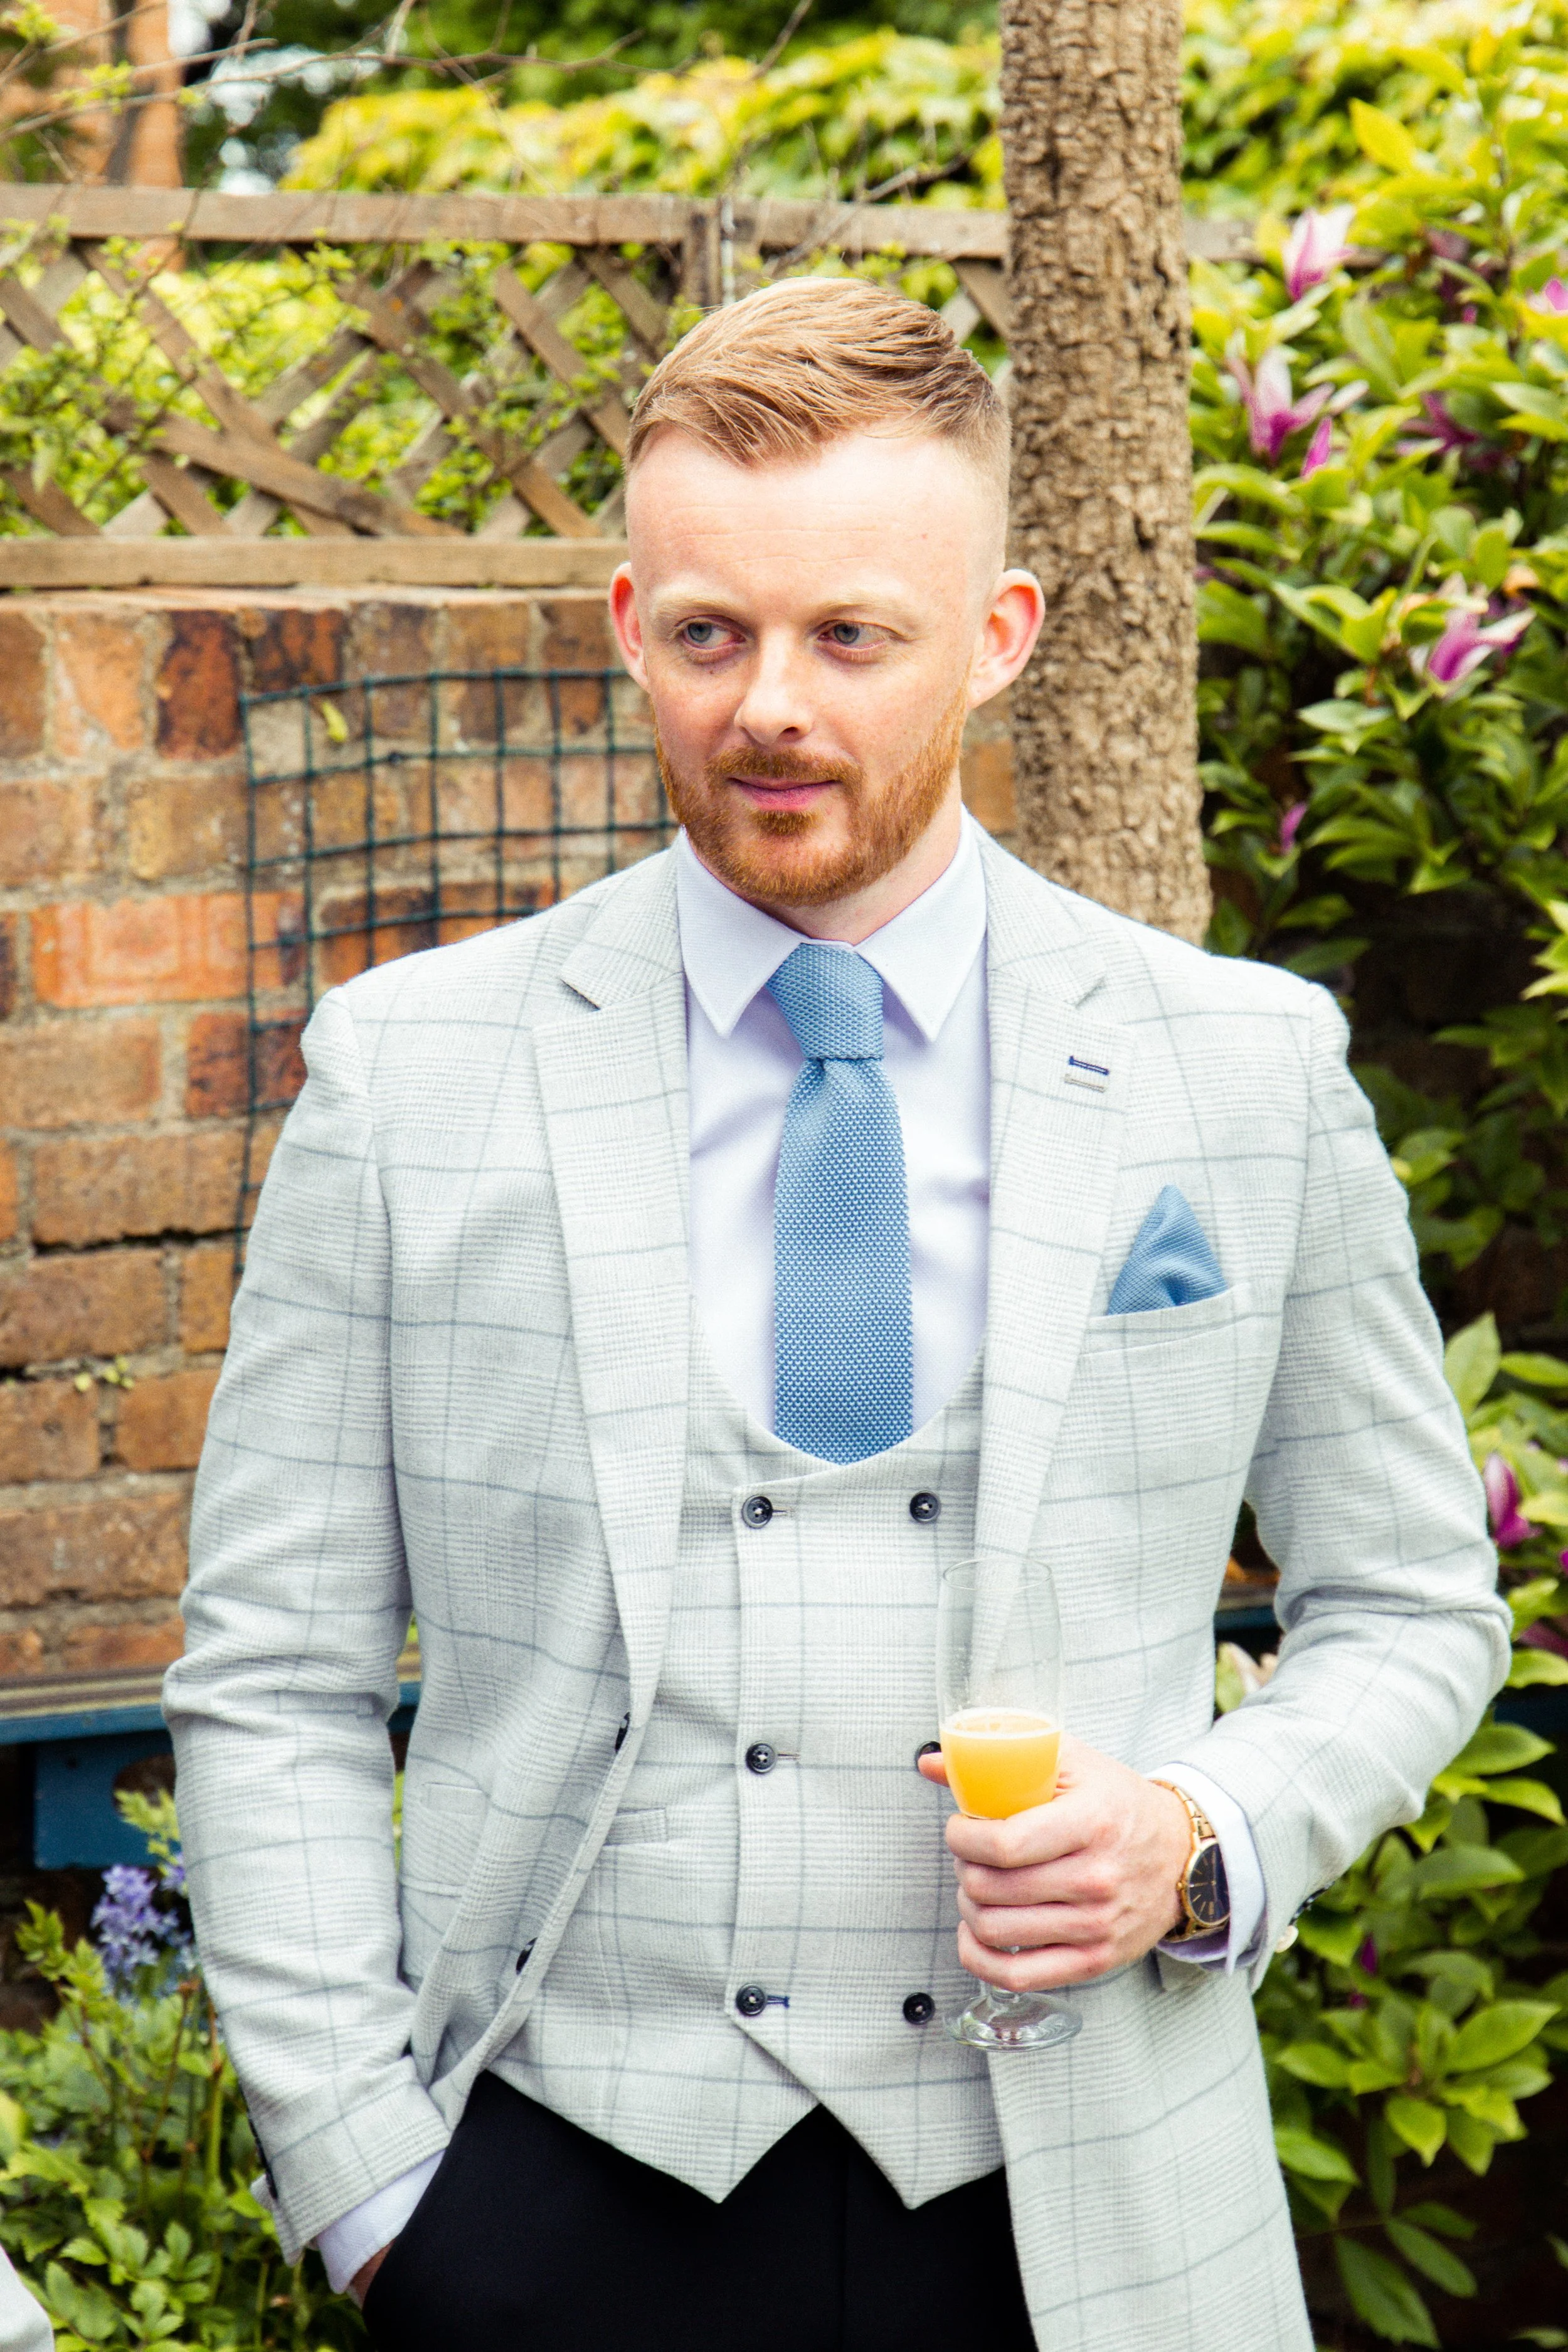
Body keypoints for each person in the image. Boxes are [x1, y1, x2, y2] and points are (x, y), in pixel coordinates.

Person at [164, 278, 1508, 2352]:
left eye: (849, 635)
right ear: (629, 623)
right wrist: (368, 2181)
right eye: (709, 632)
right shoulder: (409, 1075)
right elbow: (276, 1671)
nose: (766, 704)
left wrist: (1205, 1829)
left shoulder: (1235, 1069)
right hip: (546, 2204)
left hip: (1090, 2233)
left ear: (997, 638)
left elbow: (1416, 1599)